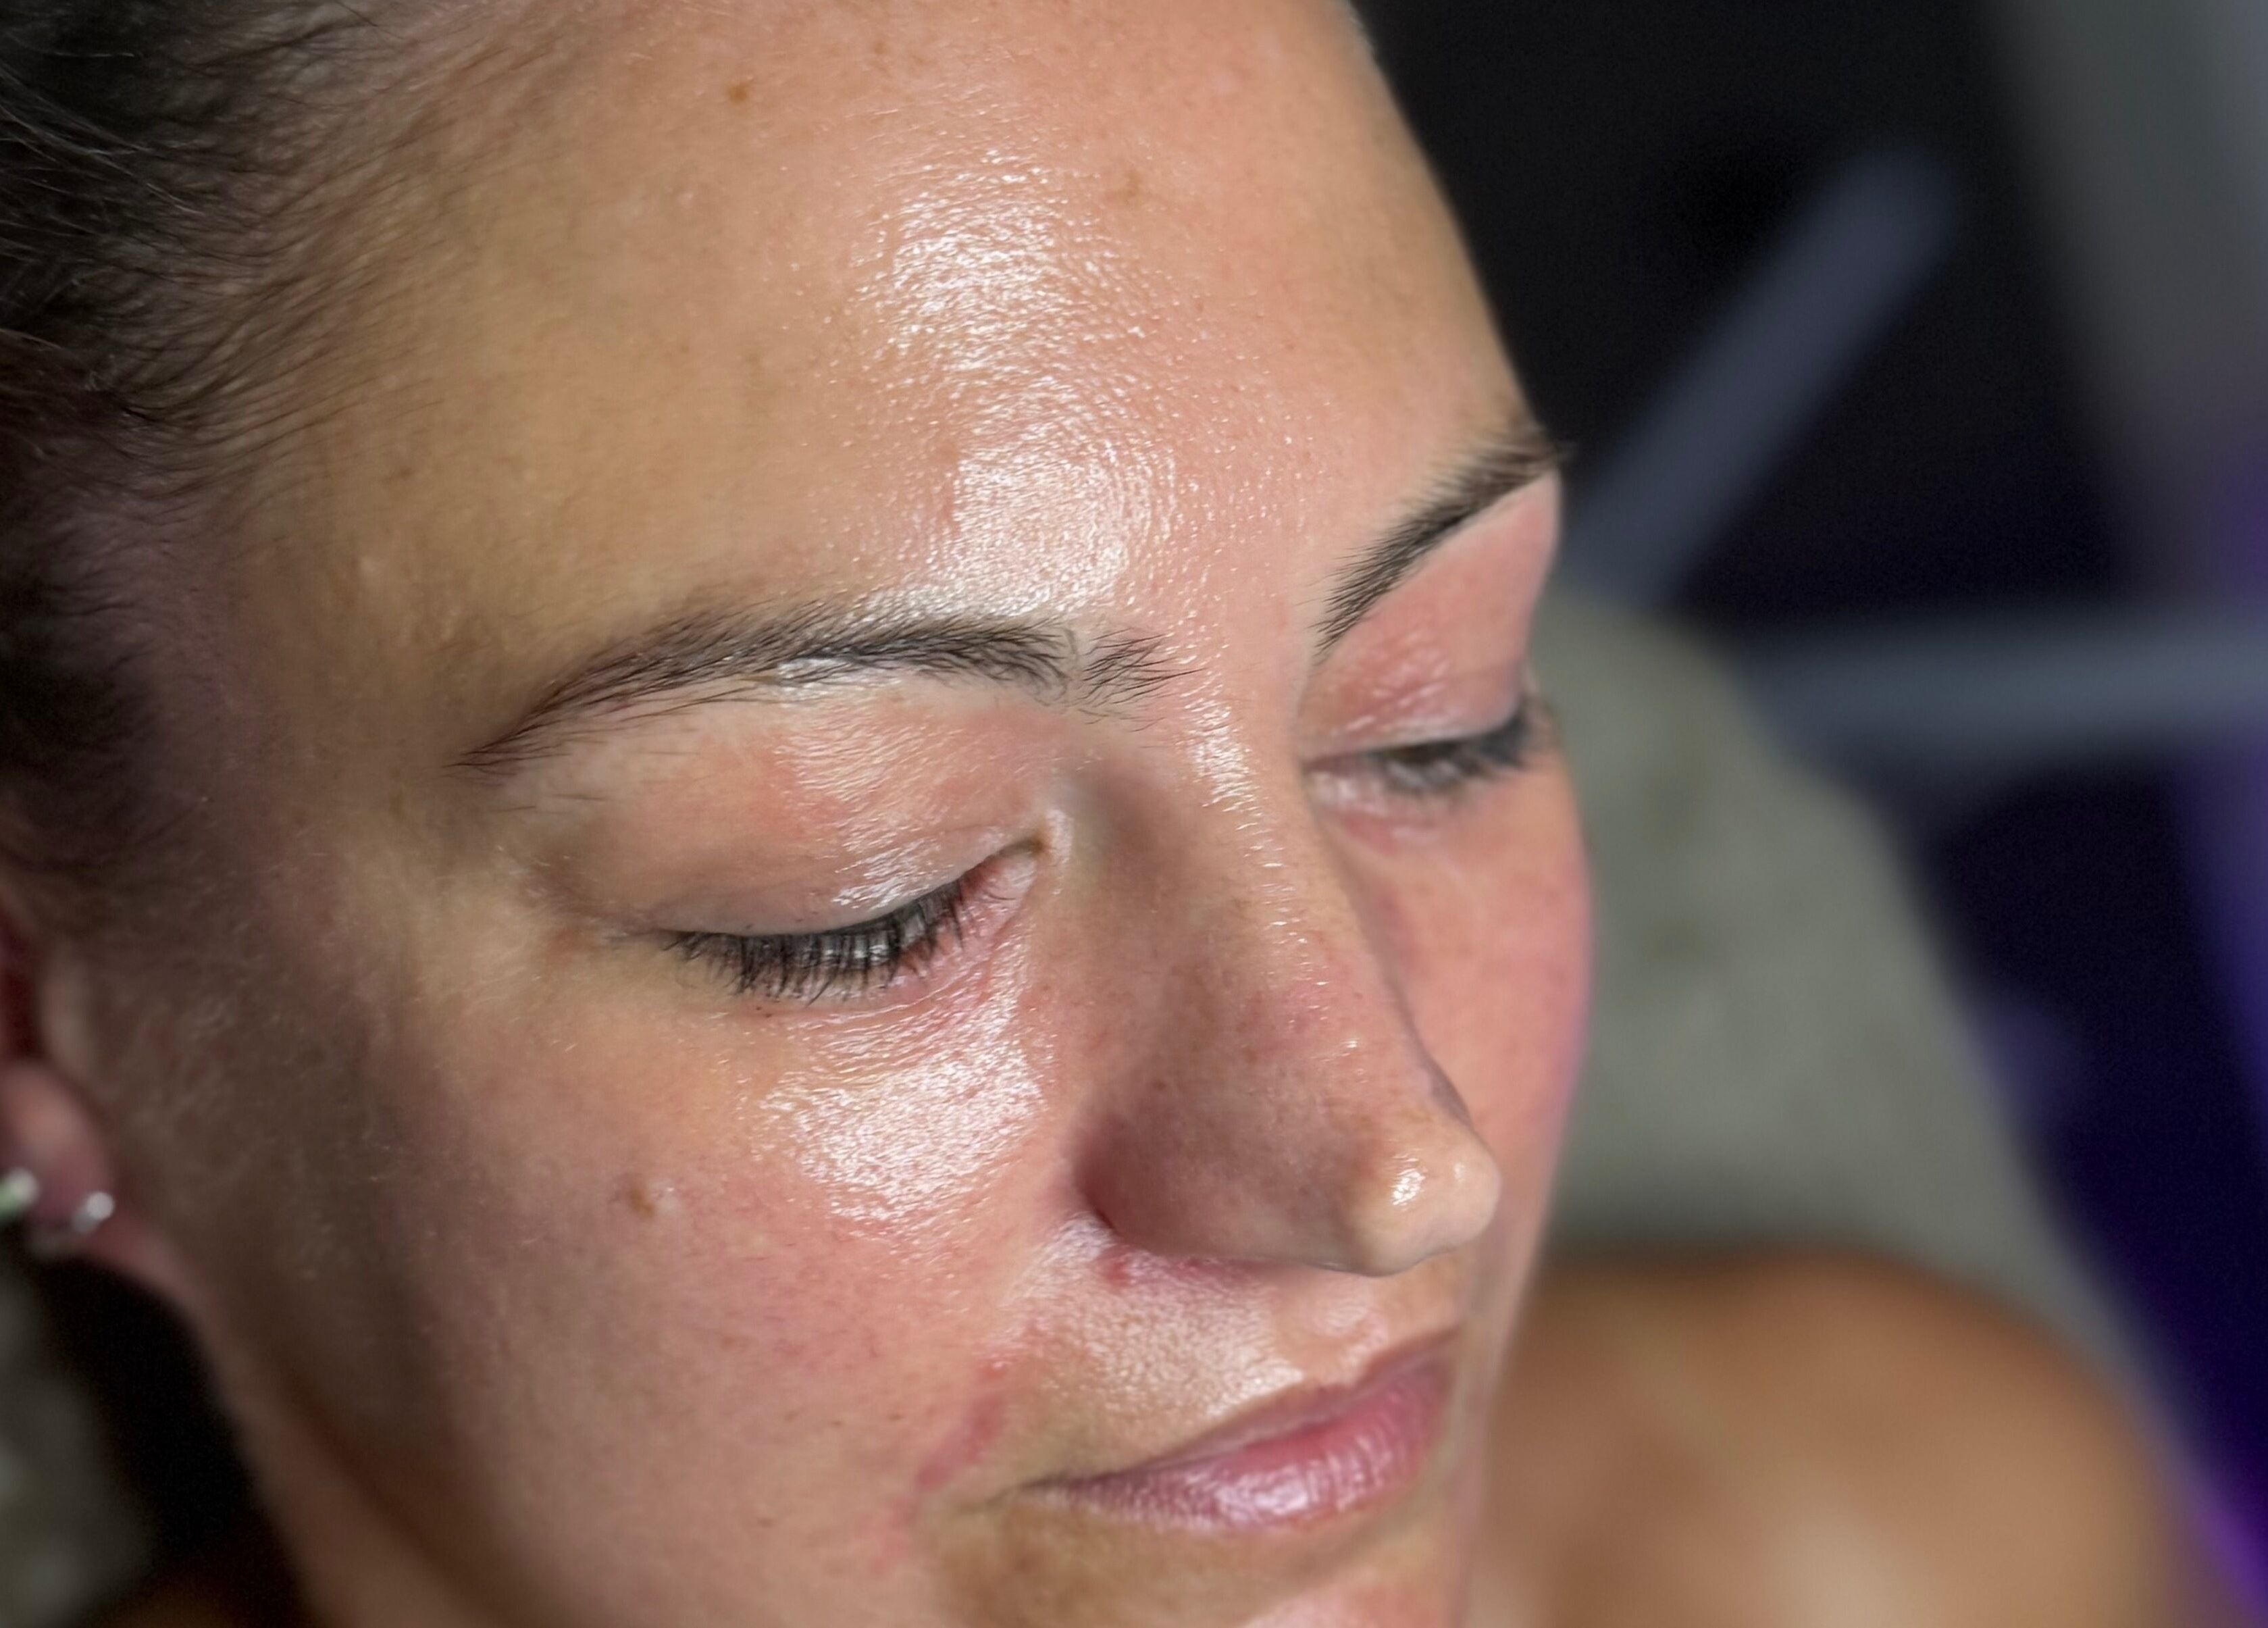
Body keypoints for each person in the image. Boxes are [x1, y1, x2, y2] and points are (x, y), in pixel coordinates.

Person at [0, 2, 2218, 1623]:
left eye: (1435, 716)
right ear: (48, 1011)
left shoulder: (1868, 1538)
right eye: (864, 897)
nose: (1396, 1161)